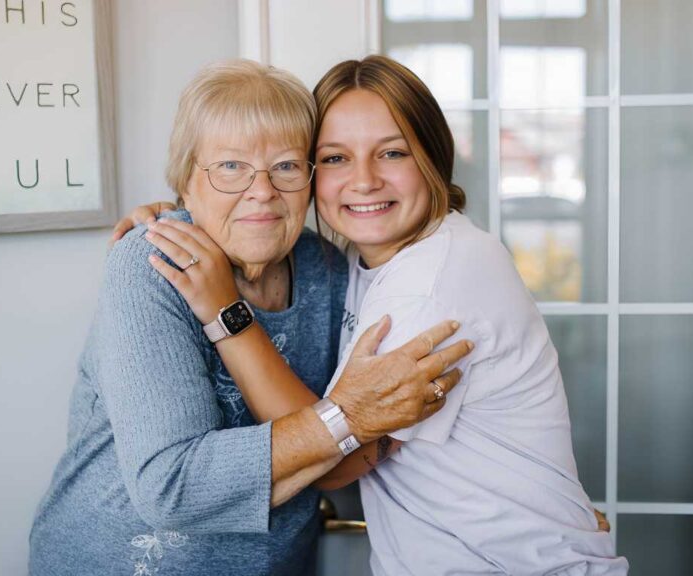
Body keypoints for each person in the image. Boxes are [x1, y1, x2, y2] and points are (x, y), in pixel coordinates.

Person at [125, 55, 629, 575]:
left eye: (391, 152)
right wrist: (181, 215)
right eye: (336, 158)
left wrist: (228, 314)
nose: (363, 181)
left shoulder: (427, 289)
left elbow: (338, 460)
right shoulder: (365, 260)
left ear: (433, 158)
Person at [29, 59, 473, 576]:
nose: (262, 191)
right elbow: (173, 488)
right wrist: (346, 418)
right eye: (230, 167)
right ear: (185, 183)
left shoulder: (329, 268)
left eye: (285, 166)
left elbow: (364, 454)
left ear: (310, 179)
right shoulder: (150, 265)